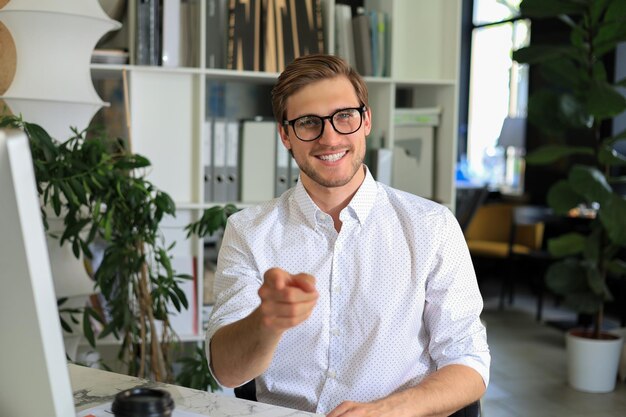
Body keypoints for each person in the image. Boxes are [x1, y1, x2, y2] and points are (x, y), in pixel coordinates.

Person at [205, 54, 490, 417]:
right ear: (285, 135)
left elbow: (469, 361)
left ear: (366, 120)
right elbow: (227, 372)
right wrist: (267, 321)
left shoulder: (432, 226)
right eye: (308, 122)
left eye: (344, 117)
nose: (329, 137)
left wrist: (387, 411)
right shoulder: (248, 231)